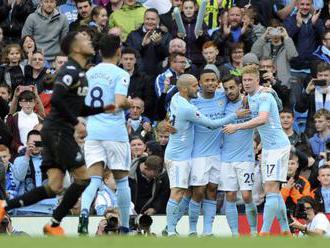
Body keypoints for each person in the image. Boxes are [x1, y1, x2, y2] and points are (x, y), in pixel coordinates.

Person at [0, 31, 114, 235]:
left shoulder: (80, 72)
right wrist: (75, 123)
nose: (89, 42)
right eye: (84, 39)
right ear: (75, 47)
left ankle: (4, 208)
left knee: (54, 186)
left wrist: (106, 108)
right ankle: (53, 224)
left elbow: (78, 107)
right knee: (83, 178)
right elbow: (58, 101)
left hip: (55, 132)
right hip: (59, 131)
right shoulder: (70, 70)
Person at [165, 74, 248, 236]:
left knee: (212, 190)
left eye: (213, 80)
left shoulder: (222, 96)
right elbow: (209, 124)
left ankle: (207, 231)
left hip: (217, 152)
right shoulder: (191, 101)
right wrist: (166, 124)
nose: (210, 83)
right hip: (196, 154)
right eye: (204, 81)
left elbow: (238, 94)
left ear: (217, 83)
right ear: (200, 84)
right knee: (195, 192)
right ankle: (188, 229)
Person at [223, 65, 291, 235]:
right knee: (273, 190)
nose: (246, 83)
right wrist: (258, 144)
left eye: (249, 80)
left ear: (257, 80)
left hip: (278, 147)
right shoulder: (250, 97)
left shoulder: (264, 96)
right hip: (268, 148)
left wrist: (236, 127)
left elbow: (262, 119)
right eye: (244, 80)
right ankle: (285, 231)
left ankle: (264, 232)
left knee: (270, 189)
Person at [78, 34, 133, 235]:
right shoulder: (121, 74)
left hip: (93, 132)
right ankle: (126, 226)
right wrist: (129, 102)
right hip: (114, 133)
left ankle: (84, 212)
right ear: (119, 51)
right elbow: (119, 102)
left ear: (100, 52)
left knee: (94, 179)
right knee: (122, 180)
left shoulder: (89, 73)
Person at [221, 74, 258, 236]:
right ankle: (235, 235)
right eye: (226, 88)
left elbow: (263, 120)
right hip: (226, 158)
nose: (229, 91)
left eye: (232, 87)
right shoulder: (222, 106)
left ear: (239, 86)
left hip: (245, 157)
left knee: (246, 195)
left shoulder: (250, 102)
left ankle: (253, 232)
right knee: (229, 195)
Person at [295, 62, 330, 137]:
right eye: (320, 75)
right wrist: (307, 92)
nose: (323, 77)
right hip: (313, 133)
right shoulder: (312, 91)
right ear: (317, 76)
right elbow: (299, 109)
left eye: (326, 75)